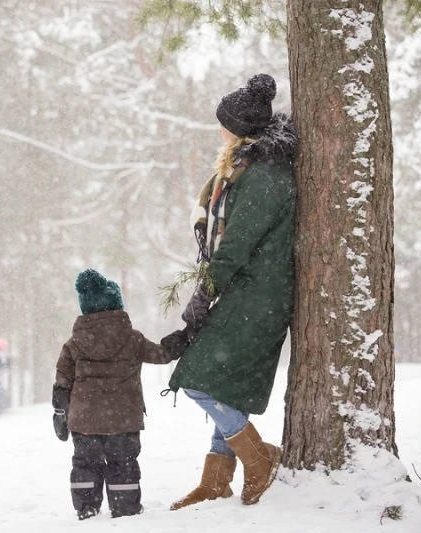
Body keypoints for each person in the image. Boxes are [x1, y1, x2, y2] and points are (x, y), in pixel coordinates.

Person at [167, 73, 298, 510]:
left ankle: (259, 458)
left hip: (260, 294)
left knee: (199, 378)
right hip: (248, 290)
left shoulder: (264, 176)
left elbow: (237, 244)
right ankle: (217, 477)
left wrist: (205, 291)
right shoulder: (246, 167)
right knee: (219, 382)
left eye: (224, 123)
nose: (219, 129)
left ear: (242, 130)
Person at [51, 268, 191, 520]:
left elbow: (62, 383)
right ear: (116, 305)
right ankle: (125, 509)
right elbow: (161, 354)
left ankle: (86, 508)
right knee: (123, 465)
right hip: (123, 420)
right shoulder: (132, 339)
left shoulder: (72, 345)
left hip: (84, 422)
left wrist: (60, 413)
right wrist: (182, 338)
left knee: (85, 464)